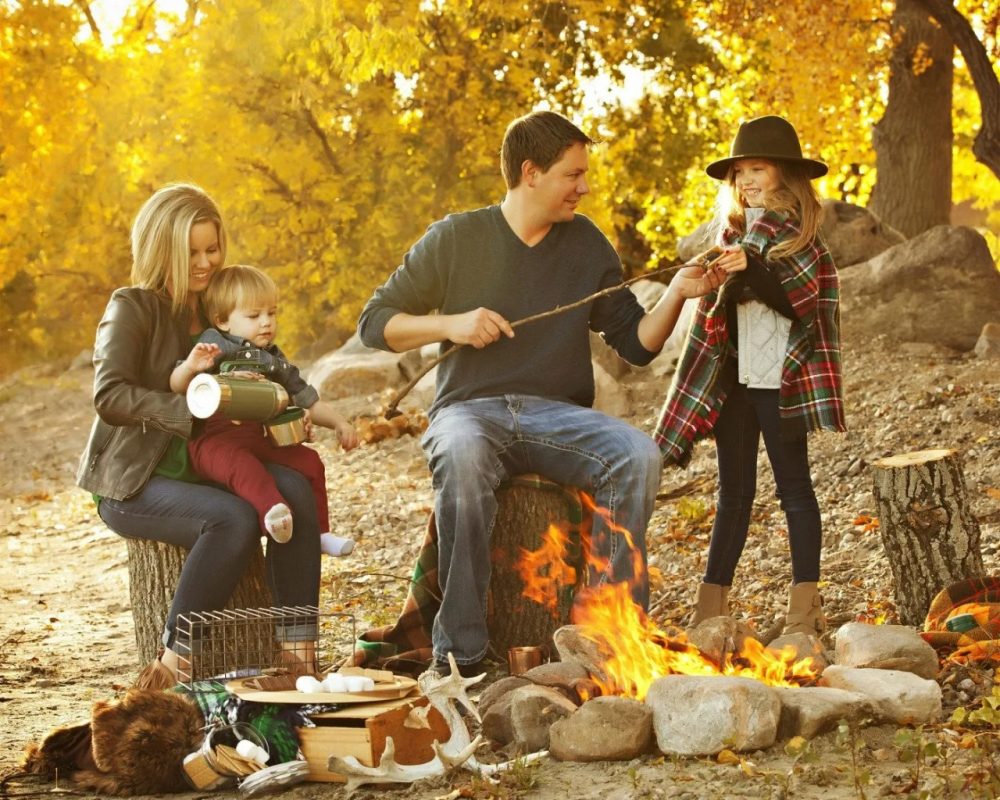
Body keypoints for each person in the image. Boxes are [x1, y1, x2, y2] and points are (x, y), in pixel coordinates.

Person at [358, 110, 724, 675]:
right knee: (459, 453)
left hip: (558, 419)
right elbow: (374, 323)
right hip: (469, 413)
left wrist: (679, 293)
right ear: (531, 173)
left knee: (637, 455)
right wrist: (451, 324)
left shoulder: (586, 245)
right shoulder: (456, 237)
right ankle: (460, 658)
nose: (584, 186)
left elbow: (637, 344)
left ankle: (606, 641)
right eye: (572, 175)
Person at [77, 184, 323, 686]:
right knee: (231, 519)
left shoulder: (218, 308)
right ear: (161, 247)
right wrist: (188, 411)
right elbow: (109, 396)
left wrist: (282, 413)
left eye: (212, 248)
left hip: (212, 462)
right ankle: (175, 662)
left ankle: (298, 653)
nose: (206, 261)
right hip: (136, 481)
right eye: (191, 252)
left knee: (296, 492)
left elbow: (260, 377)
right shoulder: (132, 306)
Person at [653, 115, 846, 637]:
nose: (746, 180)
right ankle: (709, 612)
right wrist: (717, 277)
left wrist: (753, 272)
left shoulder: (801, 240)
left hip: (782, 383)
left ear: (784, 172)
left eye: (757, 168)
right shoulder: (730, 236)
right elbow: (720, 314)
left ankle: (804, 615)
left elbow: (802, 309)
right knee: (733, 493)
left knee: (794, 491)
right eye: (740, 172)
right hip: (735, 382)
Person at [170, 264, 359, 556]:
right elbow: (177, 384)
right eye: (254, 315)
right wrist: (191, 368)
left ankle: (320, 533)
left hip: (259, 436)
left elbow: (306, 398)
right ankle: (272, 512)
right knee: (245, 468)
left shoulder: (273, 359)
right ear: (222, 320)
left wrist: (339, 423)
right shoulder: (213, 346)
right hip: (214, 441)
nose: (266, 323)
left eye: (272, 313)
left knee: (310, 462)